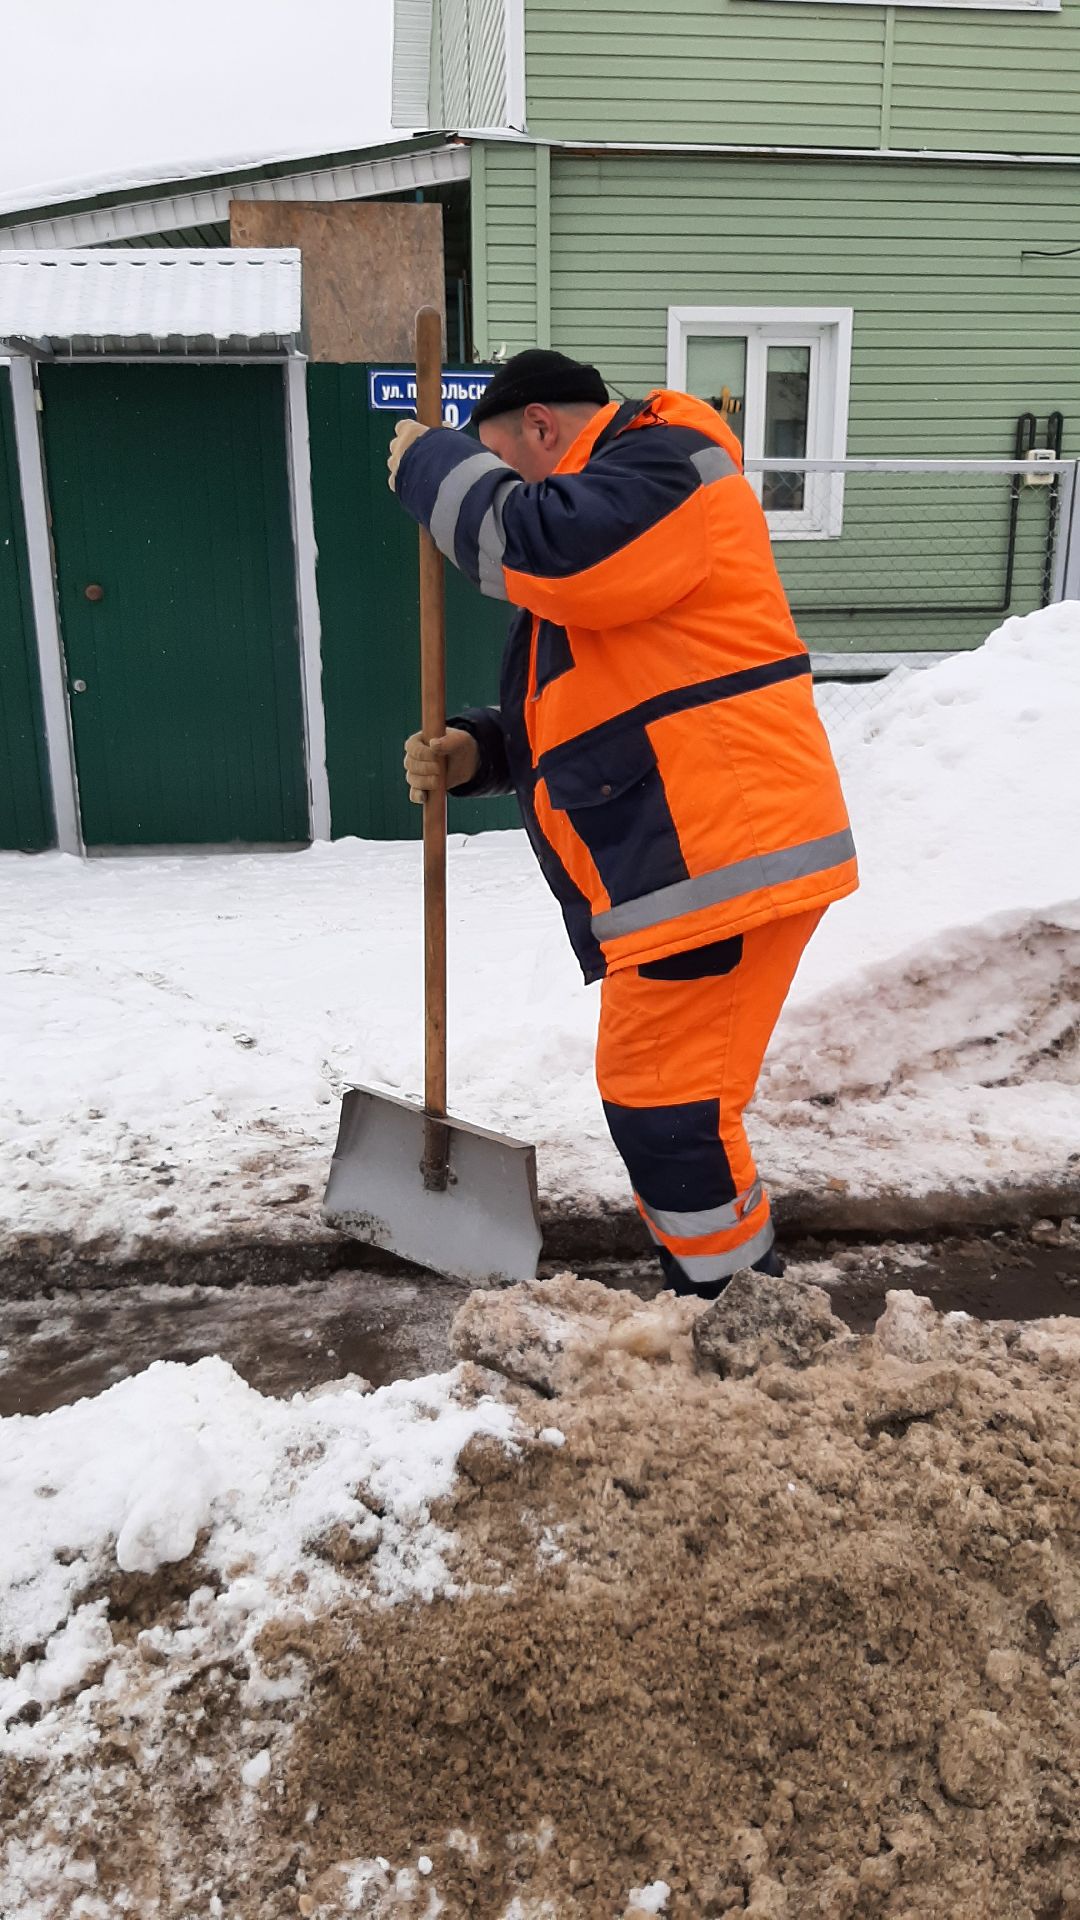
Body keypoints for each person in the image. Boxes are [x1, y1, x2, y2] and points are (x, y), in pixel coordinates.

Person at [387, 349, 858, 1300]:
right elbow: (594, 692)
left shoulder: (665, 459)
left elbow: (546, 547)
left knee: (668, 1106)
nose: (508, 485)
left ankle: (741, 1321)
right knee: (668, 1103)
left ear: (541, 430)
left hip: (719, 854)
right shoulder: (624, 503)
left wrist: (430, 464)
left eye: (500, 462)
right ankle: (735, 1307)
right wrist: (480, 748)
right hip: (692, 857)